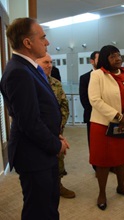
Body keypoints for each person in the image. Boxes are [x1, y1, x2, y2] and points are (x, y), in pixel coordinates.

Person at [0, 17, 69, 220]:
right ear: (27, 43)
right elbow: (29, 122)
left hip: (42, 150)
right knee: (38, 211)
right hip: (33, 155)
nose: (47, 42)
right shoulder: (18, 72)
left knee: (49, 205)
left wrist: (56, 135)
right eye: (43, 37)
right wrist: (56, 145)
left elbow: (43, 111)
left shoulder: (29, 68)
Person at [88, 45, 124, 211]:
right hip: (103, 125)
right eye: (112, 56)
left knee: (122, 157)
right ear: (105, 59)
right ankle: (102, 193)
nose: (118, 59)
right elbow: (95, 100)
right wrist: (118, 117)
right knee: (103, 160)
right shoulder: (97, 75)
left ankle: (121, 186)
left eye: (118, 55)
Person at [36, 53, 76, 199]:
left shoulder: (56, 84)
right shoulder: (31, 83)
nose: (50, 65)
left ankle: (58, 186)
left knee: (58, 159)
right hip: (38, 133)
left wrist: (58, 126)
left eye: (51, 62)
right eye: (45, 62)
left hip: (56, 132)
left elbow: (64, 106)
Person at [79, 51, 99, 170]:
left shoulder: (109, 76)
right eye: (99, 59)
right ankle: (96, 166)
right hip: (92, 116)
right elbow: (84, 100)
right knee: (94, 144)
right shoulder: (85, 78)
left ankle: (110, 165)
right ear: (92, 61)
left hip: (109, 117)